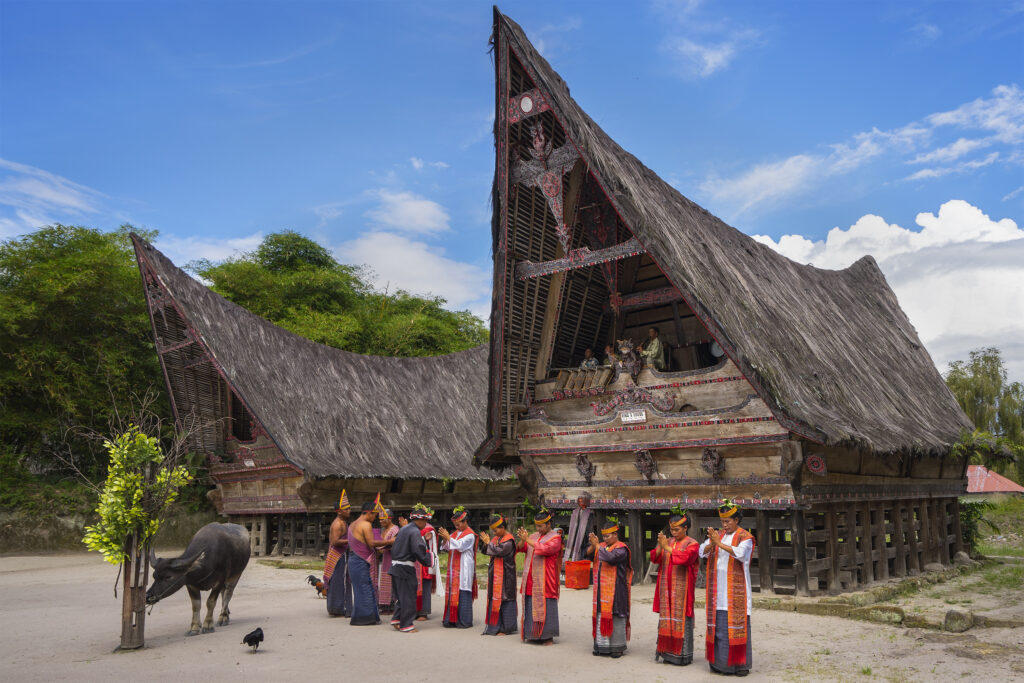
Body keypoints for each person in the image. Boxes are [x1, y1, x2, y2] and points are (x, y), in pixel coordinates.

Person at [699, 499, 755, 676]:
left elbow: (740, 554)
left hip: (736, 591)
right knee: (719, 629)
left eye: (727, 521)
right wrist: (711, 542)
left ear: (736, 520)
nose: (724, 525)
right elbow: (702, 552)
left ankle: (740, 666)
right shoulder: (719, 534)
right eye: (722, 521)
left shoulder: (745, 537)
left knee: (737, 628)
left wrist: (719, 543)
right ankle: (720, 665)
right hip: (718, 590)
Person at [651, 509, 699, 666]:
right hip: (666, 588)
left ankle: (681, 656)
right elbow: (655, 558)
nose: (673, 532)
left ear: (685, 528)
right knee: (666, 620)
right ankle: (666, 653)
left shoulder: (693, 543)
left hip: (682, 590)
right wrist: (660, 545)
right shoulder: (669, 542)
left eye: (677, 529)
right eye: (671, 529)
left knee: (681, 620)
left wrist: (667, 547)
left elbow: (684, 558)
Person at [587, 518, 632, 658]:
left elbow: (610, 558)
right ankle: (601, 646)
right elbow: (588, 555)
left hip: (617, 589)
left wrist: (598, 546)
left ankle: (617, 647)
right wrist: (593, 545)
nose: (605, 539)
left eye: (607, 536)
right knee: (601, 614)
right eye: (604, 536)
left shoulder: (622, 549)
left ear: (615, 534)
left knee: (616, 615)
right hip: (601, 589)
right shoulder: (601, 546)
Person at [517, 508, 563, 645]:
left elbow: (544, 549)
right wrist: (522, 539)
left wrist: (528, 540)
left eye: (540, 526)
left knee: (547, 606)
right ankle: (533, 634)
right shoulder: (533, 536)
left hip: (545, 579)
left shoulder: (556, 538)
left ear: (548, 524)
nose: (538, 528)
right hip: (531, 578)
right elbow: (521, 548)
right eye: (536, 526)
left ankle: (547, 636)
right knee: (531, 604)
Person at [348, 498, 394, 625]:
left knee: (360, 589)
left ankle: (365, 616)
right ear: (369, 513)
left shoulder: (353, 524)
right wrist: (389, 542)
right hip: (360, 560)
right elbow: (371, 543)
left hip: (353, 559)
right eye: (375, 515)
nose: (375, 518)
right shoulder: (365, 524)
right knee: (365, 588)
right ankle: (365, 618)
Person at [388, 508, 434, 633]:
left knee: (401, 596)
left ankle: (397, 619)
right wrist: (429, 559)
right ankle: (406, 625)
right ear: (420, 520)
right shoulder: (414, 531)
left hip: (396, 566)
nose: (425, 524)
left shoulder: (404, 529)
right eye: (425, 521)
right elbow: (418, 549)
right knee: (408, 596)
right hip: (405, 568)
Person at [436, 505, 478, 629]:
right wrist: (445, 540)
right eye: (455, 524)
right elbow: (447, 546)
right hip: (454, 567)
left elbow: (459, 546)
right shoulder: (456, 533)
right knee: (452, 591)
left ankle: (464, 621)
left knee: (463, 591)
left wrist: (449, 537)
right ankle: (450, 620)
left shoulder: (470, 535)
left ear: (465, 522)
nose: (456, 526)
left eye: (459, 524)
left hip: (464, 568)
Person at [478, 513, 518, 636]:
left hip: (506, 575)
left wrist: (488, 543)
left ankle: (506, 628)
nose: (494, 533)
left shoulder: (509, 540)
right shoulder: (496, 539)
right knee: (494, 598)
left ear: (502, 528)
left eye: (495, 530)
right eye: (493, 531)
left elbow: (498, 551)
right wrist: (485, 543)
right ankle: (495, 626)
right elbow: (487, 551)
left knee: (505, 598)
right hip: (495, 573)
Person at [324, 489, 352, 617]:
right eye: (346, 509)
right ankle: (336, 608)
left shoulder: (343, 522)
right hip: (337, 555)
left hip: (341, 555)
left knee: (341, 581)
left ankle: (339, 607)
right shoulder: (337, 524)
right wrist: (351, 540)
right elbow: (335, 541)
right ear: (339, 511)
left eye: (349, 508)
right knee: (337, 581)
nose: (349, 511)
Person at [411, 503, 441, 620]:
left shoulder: (429, 529)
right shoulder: (414, 527)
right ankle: (414, 610)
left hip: (424, 559)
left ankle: (423, 611)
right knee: (413, 586)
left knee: (425, 586)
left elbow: (424, 543)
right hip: (414, 560)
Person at [377, 508, 399, 615]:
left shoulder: (395, 529)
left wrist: (380, 545)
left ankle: (392, 605)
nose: (381, 521)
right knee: (385, 580)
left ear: (390, 519)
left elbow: (394, 543)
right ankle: (385, 605)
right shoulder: (383, 530)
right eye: (380, 519)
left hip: (392, 557)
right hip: (385, 557)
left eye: (383, 519)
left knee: (391, 581)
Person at [563, 492, 594, 563]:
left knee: (585, 547)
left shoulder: (590, 513)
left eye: (582, 501)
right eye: (579, 501)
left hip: (585, 536)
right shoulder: (575, 512)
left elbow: (589, 528)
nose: (581, 502)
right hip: (576, 533)